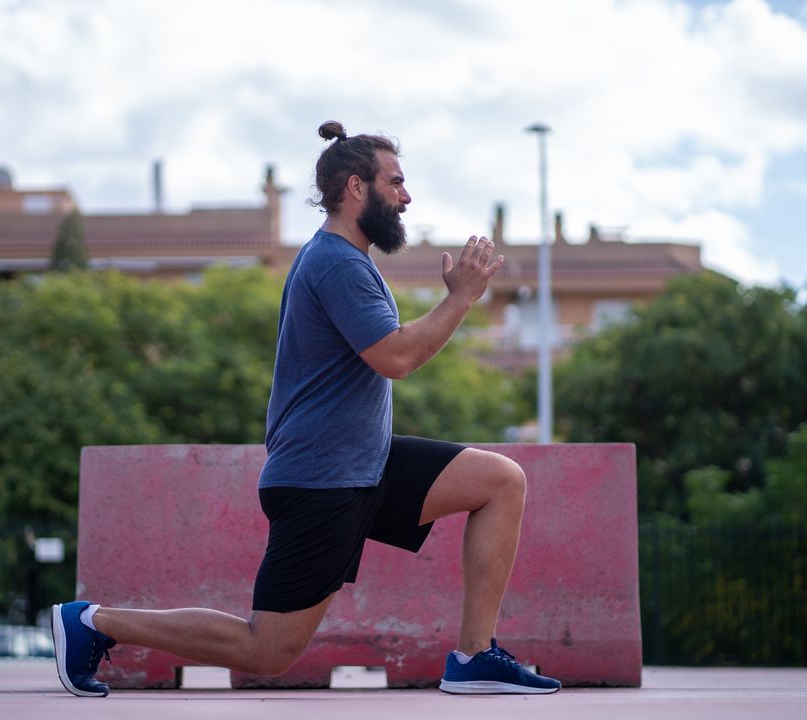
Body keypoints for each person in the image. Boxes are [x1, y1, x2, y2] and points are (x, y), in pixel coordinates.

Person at [51, 121, 561, 696]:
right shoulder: (336, 263)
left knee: (499, 482)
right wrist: (462, 298)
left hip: (366, 466)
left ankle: (474, 658)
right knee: (265, 649)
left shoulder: (348, 261)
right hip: (321, 479)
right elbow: (395, 357)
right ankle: (92, 622)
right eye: (395, 182)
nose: (407, 196)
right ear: (355, 188)